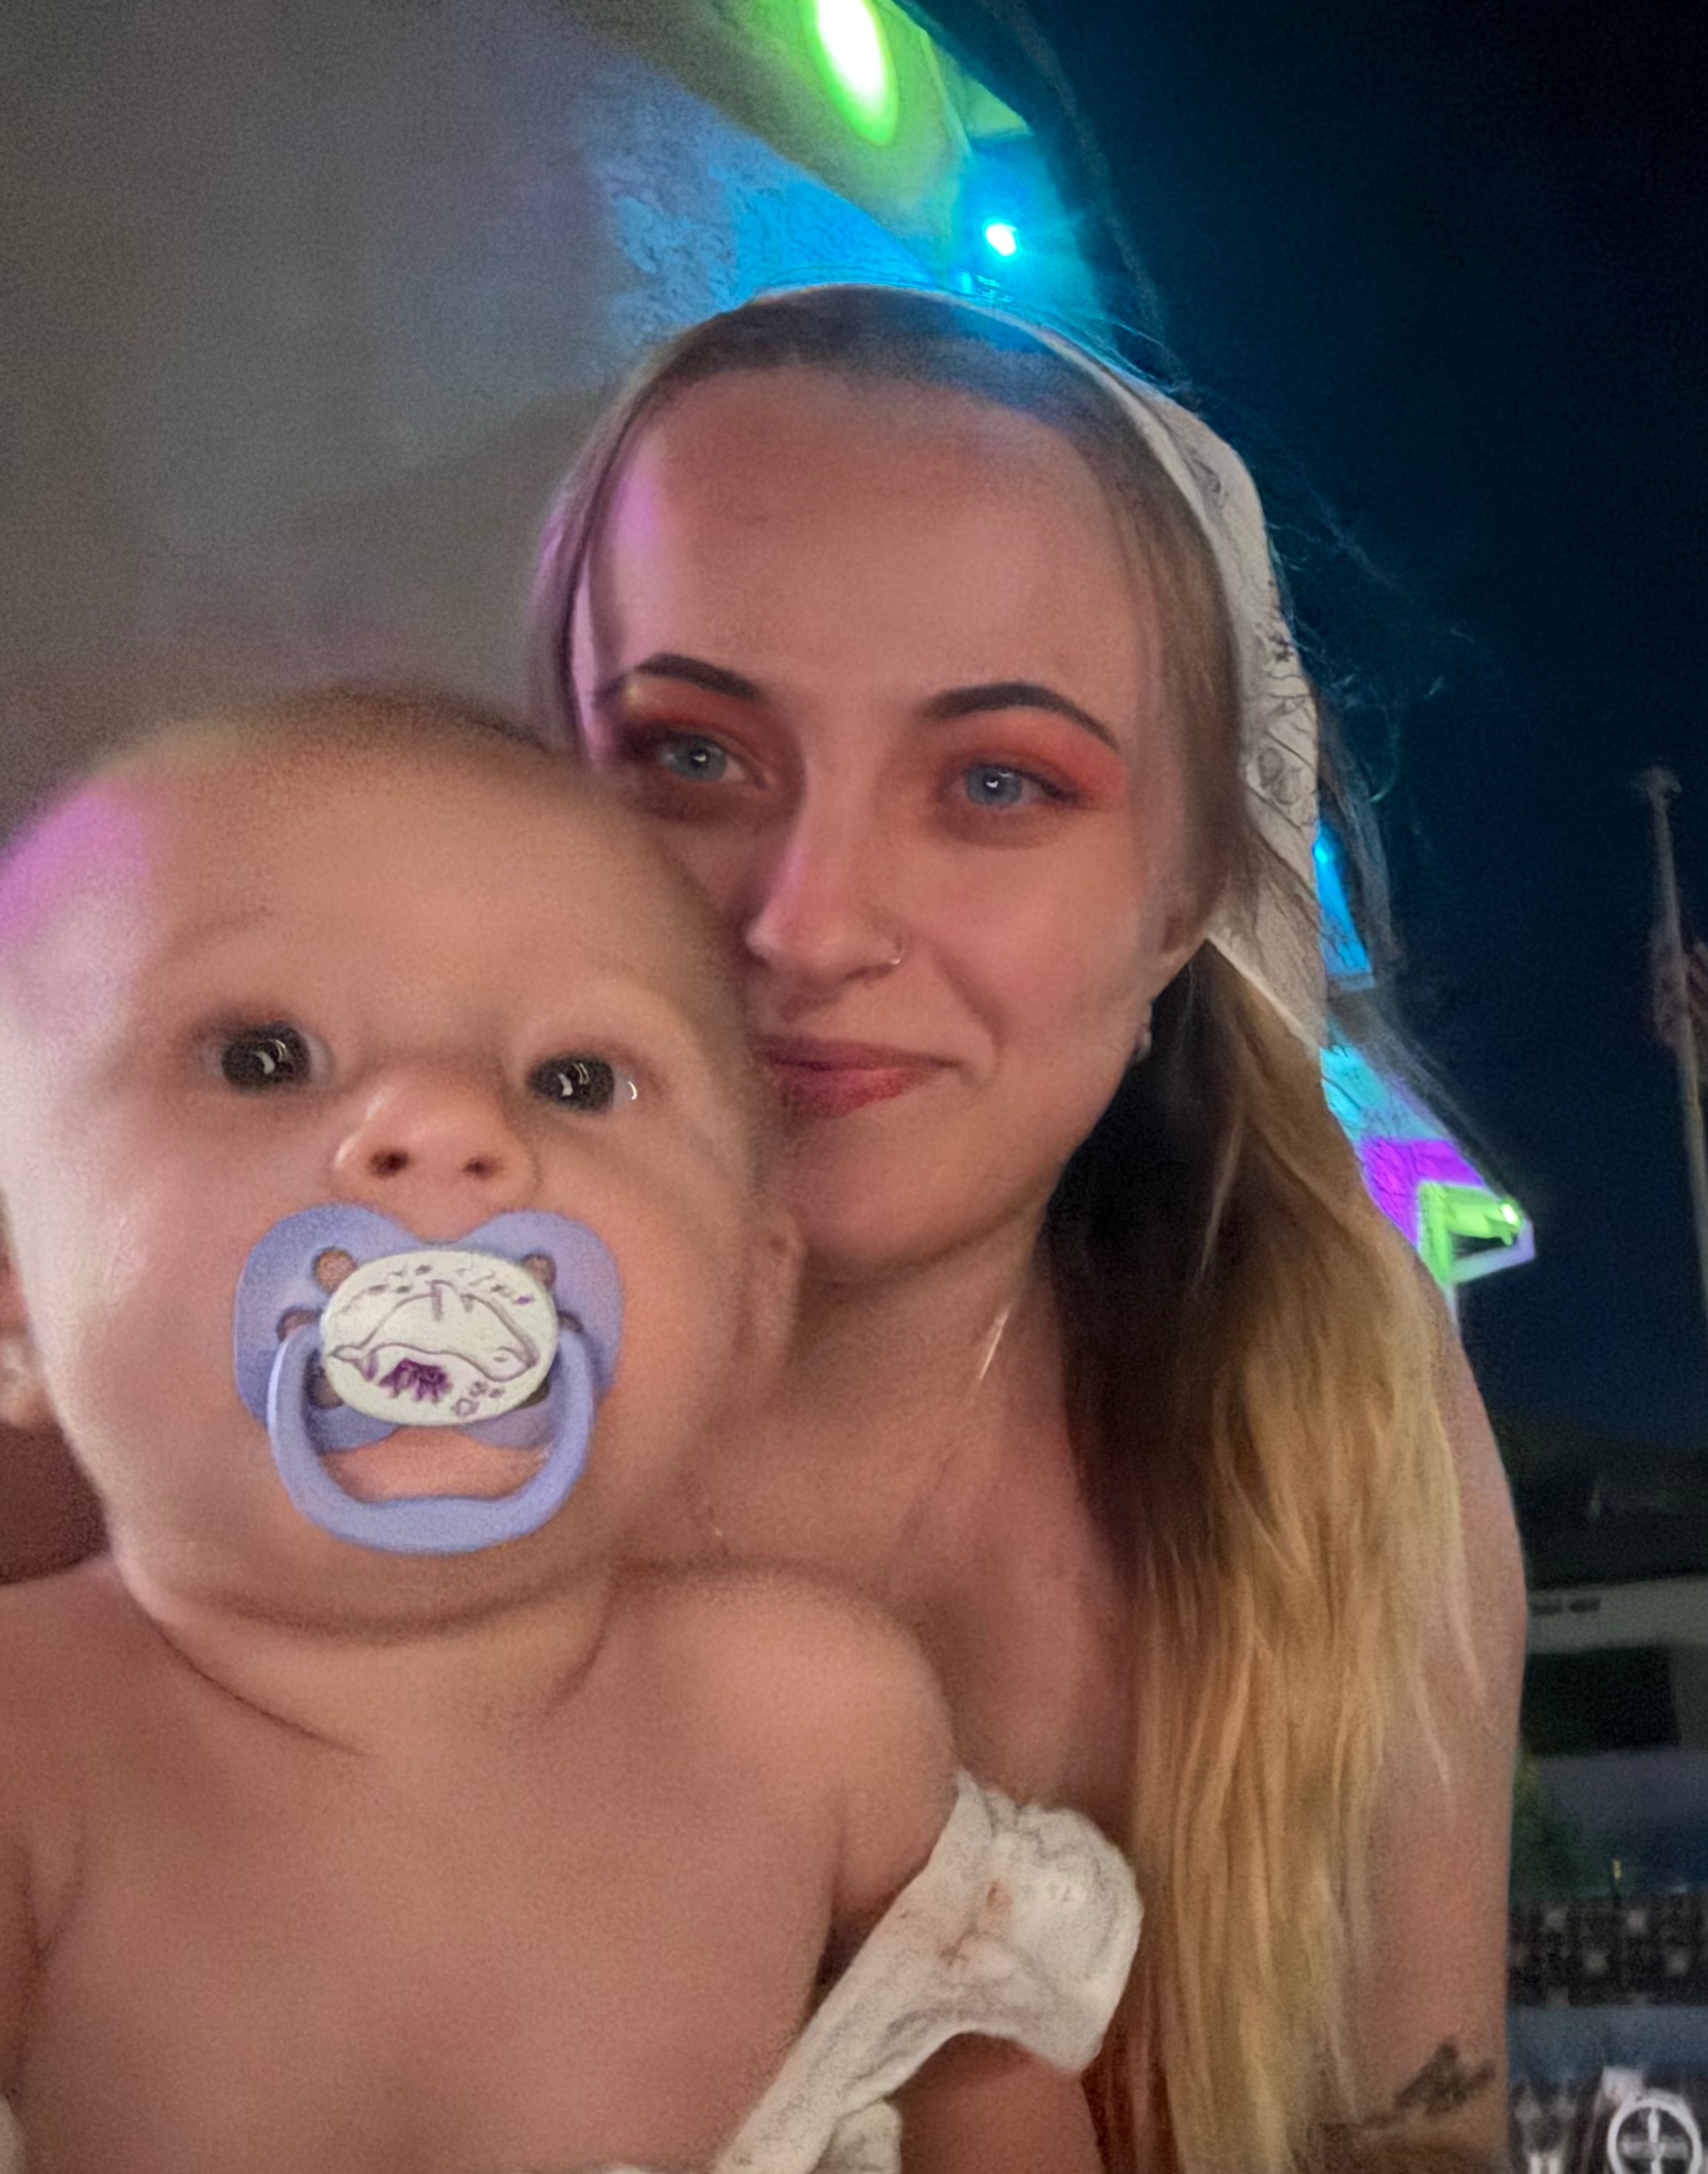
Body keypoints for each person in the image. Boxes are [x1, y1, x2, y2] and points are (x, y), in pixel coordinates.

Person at [531, 285, 1528, 2170]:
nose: (809, 925)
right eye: (693, 755)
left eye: (997, 782)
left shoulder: (1337, 1436)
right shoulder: (221, 1384)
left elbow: (1414, 2131)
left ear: (1183, 900)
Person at [0, 693, 1138, 2173]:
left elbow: (986, 2096)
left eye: (577, 1080)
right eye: (261, 1056)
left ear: (748, 1301)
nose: (446, 1126)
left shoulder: (815, 1722)